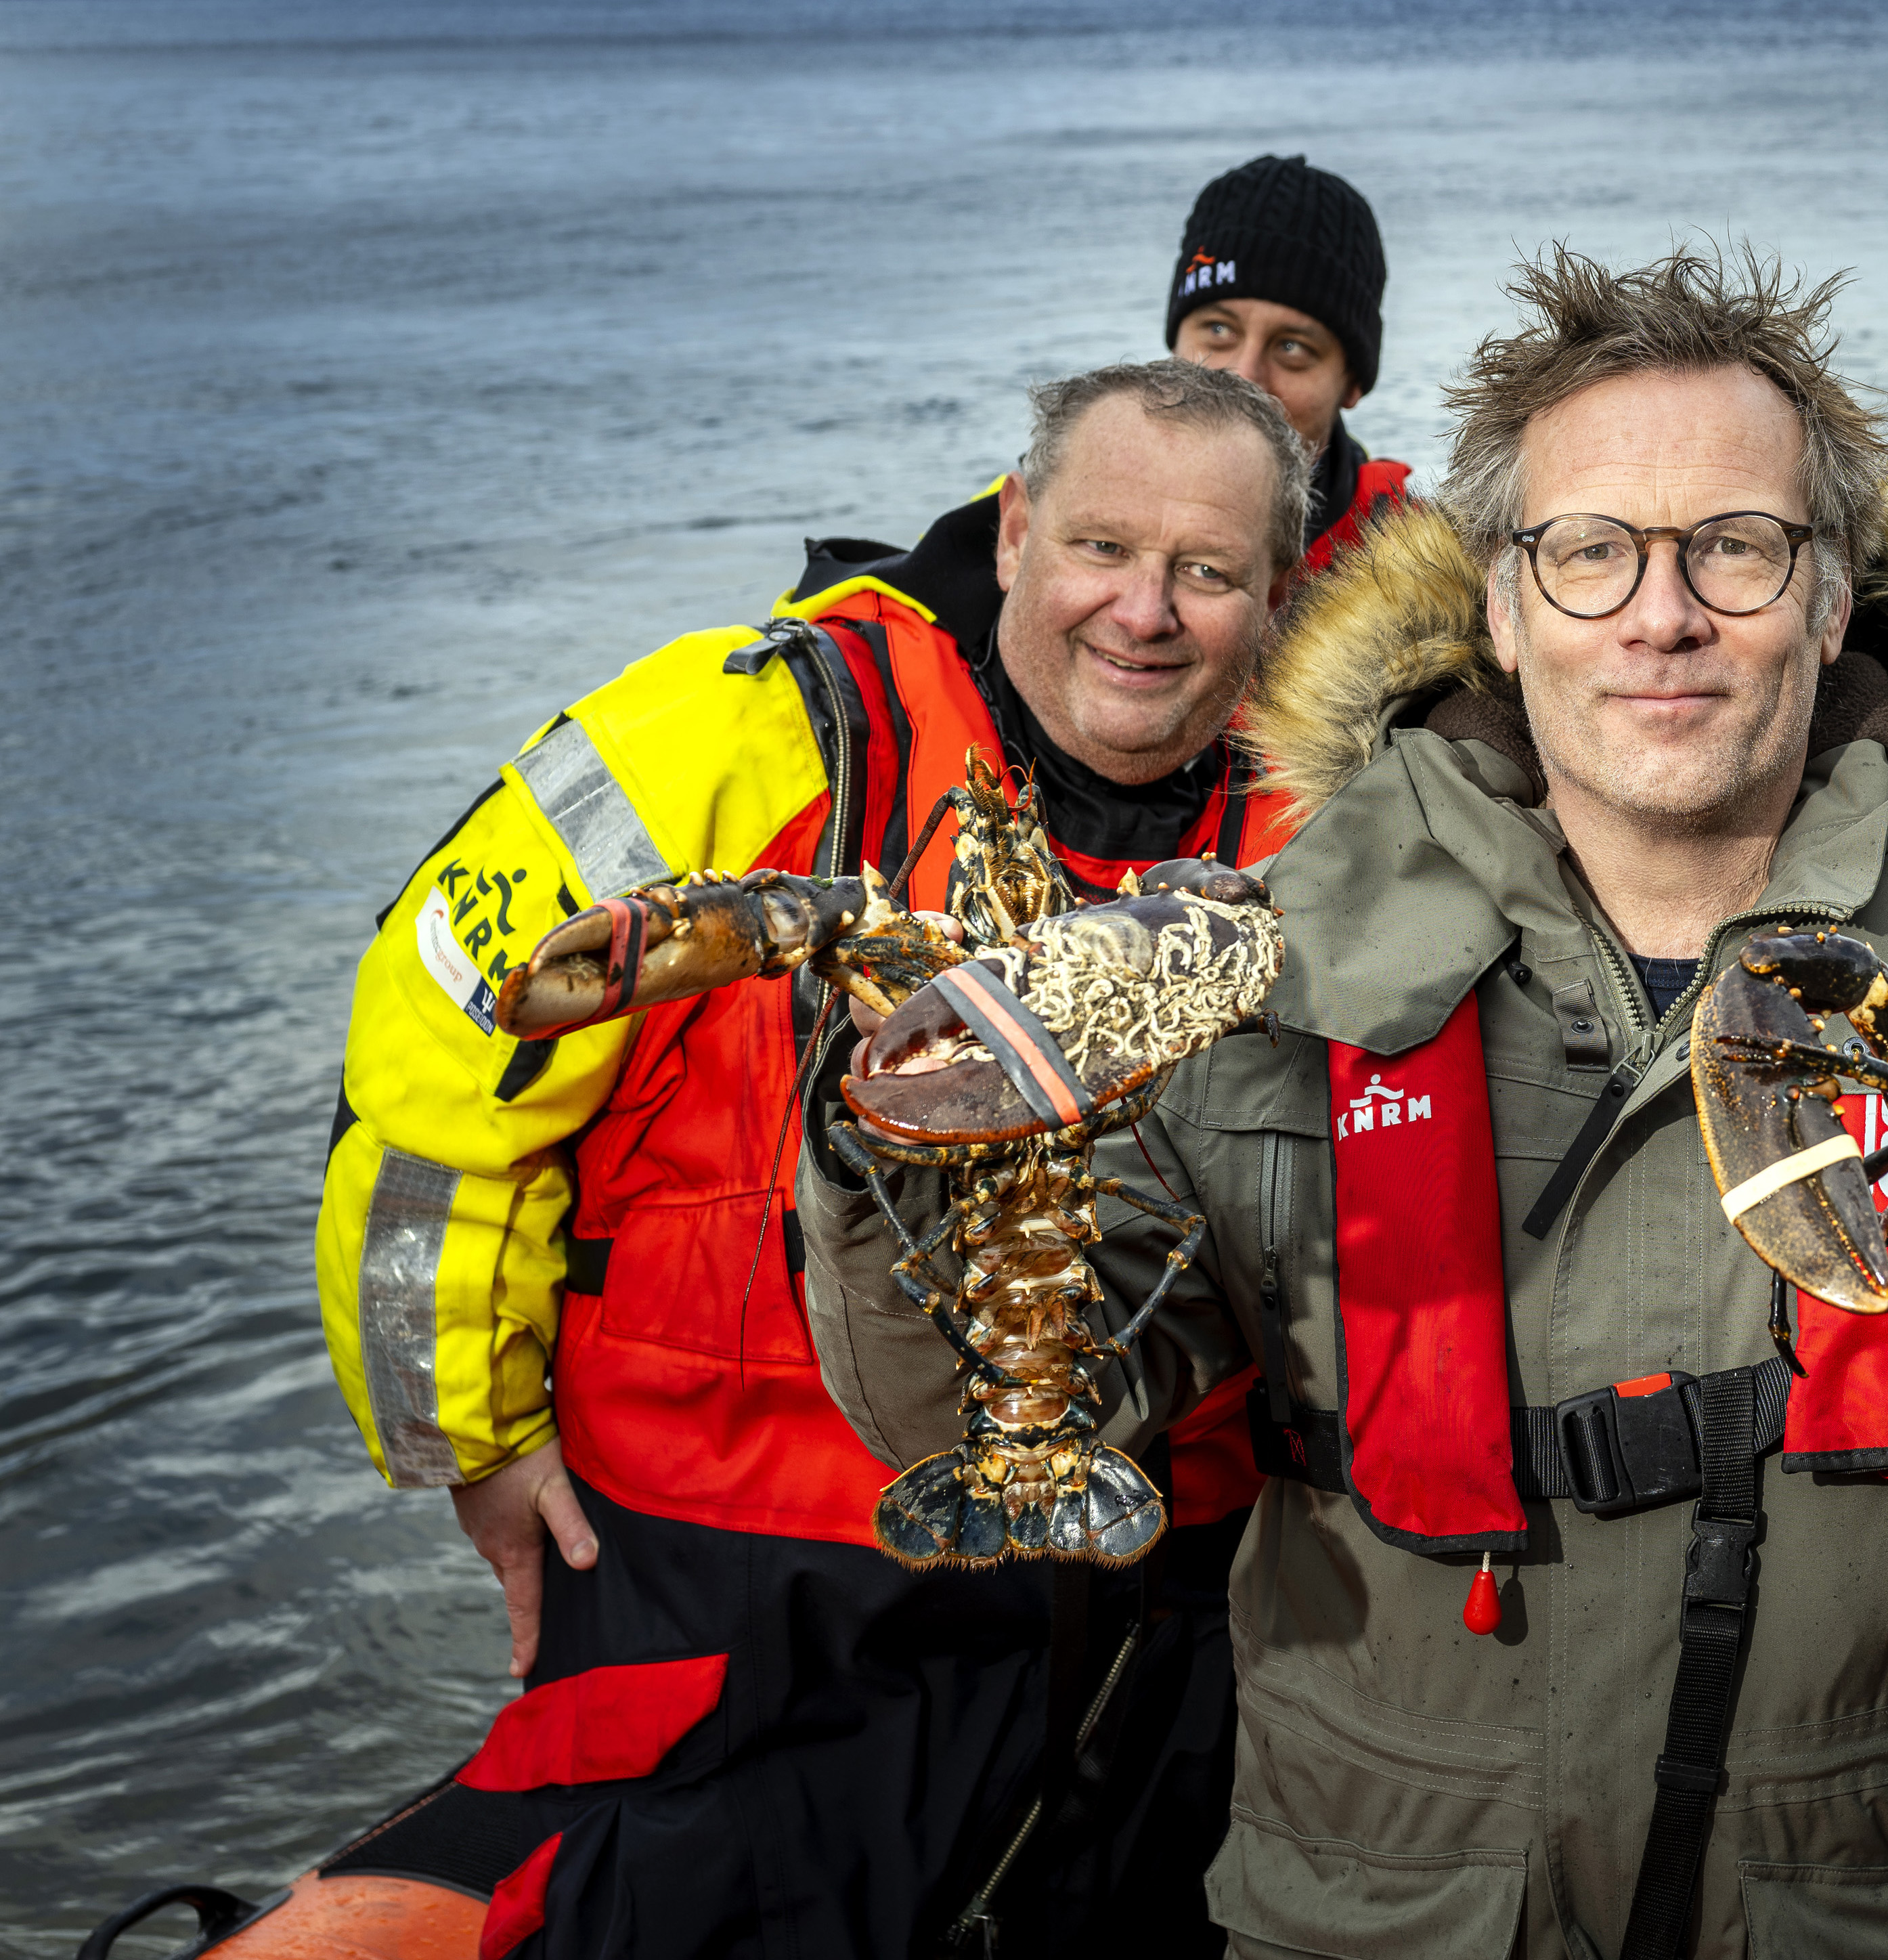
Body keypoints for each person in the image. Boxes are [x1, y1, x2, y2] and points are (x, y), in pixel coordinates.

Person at [802, 244, 1888, 1959]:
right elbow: (975, 1424)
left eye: (1737, 551)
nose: (1661, 615)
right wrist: (889, 1145)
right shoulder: (1261, 968)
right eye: (1590, 552)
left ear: (1834, 597)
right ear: (1504, 604)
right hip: (1387, 1896)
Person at [313, 357, 1309, 1957]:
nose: (1144, 611)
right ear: (1010, 533)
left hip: (1160, 1587)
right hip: (737, 1583)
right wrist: (466, 1442)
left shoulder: (1340, 816)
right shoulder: (732, 732)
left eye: (1208, 572)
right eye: (1102, 549)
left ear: (1276, 598)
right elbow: (435, 1053)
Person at [1166, 153, 1416, 573]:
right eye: (1219, 330)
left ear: (1352, 382)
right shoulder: (1047, 509)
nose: (1243, 378)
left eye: (1292, 348)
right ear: (1175, 342)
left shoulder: (1423, 570)